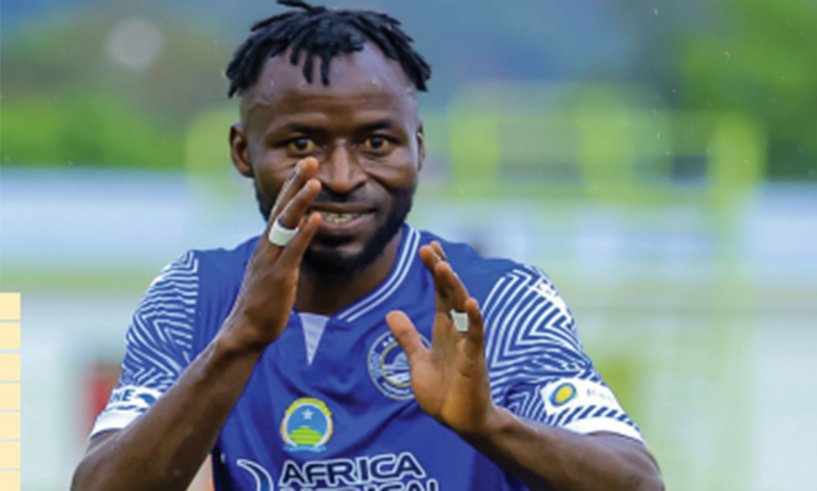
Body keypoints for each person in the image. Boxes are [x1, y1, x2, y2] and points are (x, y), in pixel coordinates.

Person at [72, 1, 664, 490]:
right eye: (302, 142)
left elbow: (636, 484)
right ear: (242, 152)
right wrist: (239, 343)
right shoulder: (196, 294)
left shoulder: (496, 298)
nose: (341, 175)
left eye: (377, 142)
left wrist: (491, 426)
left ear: (419, 150)